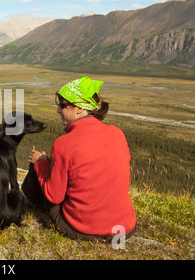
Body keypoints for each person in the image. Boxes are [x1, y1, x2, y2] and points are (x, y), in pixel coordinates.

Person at [22, 75, 136, 241]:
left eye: (63, 106)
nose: (58, 110)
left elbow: (54, 196)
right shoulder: (117, 133)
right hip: (125, 227)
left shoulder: (63, 144)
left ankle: (29, 202)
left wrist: (40, 163)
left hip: (83, 228)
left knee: (40, 164)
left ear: (80, 109)